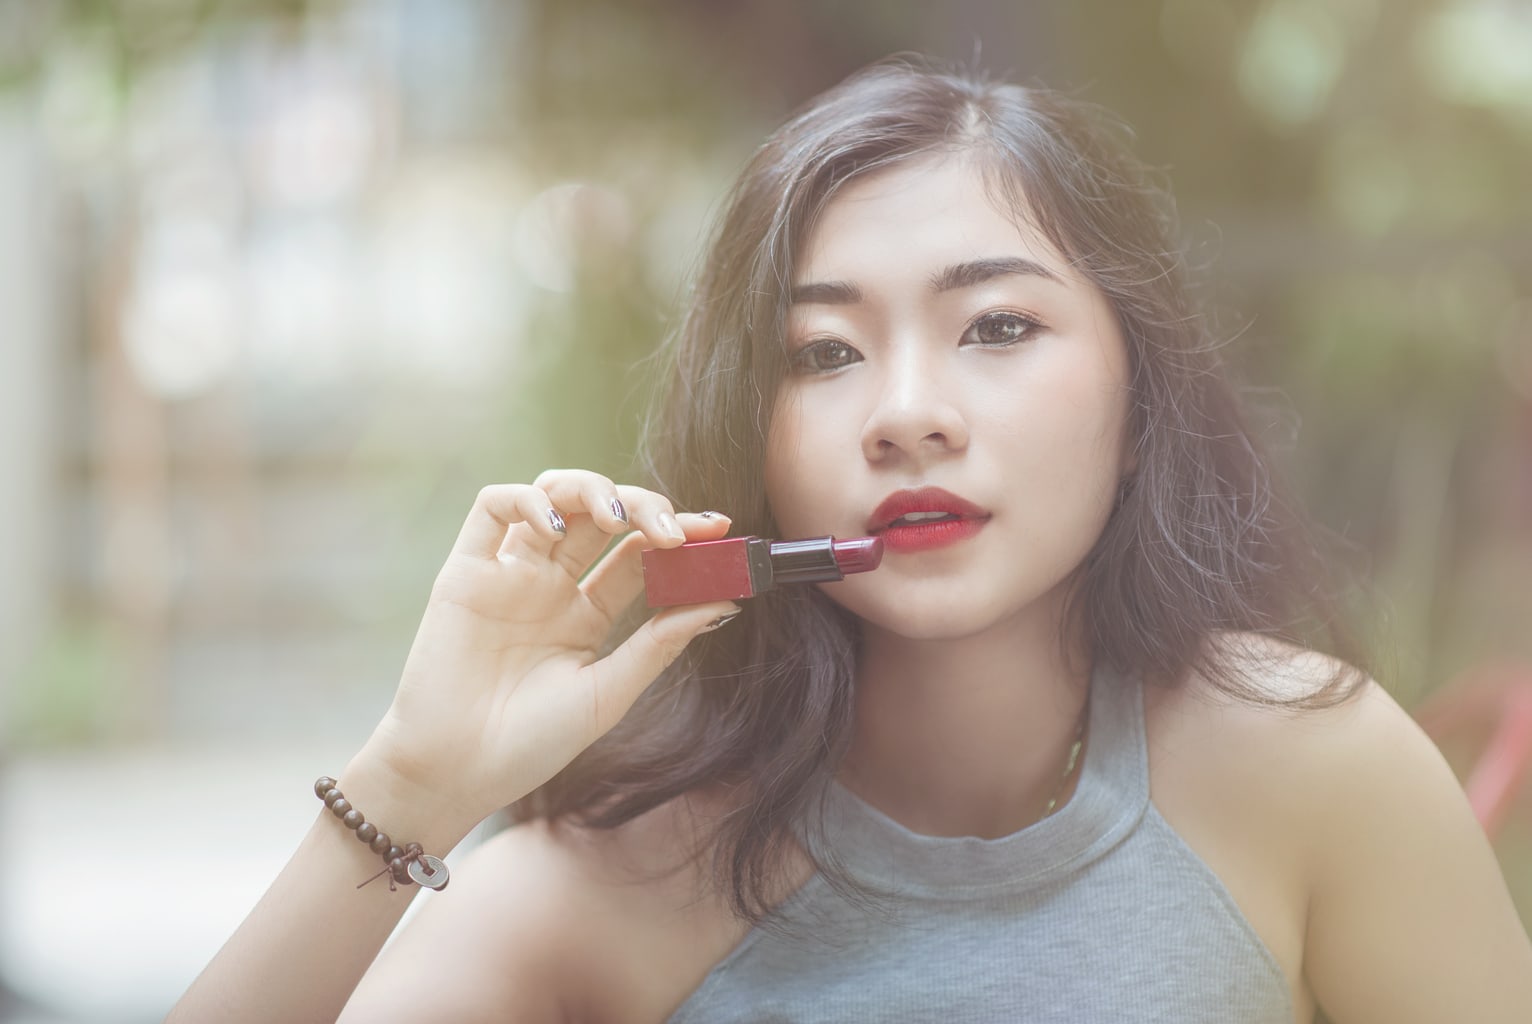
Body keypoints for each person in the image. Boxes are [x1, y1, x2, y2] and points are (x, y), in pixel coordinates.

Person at [168, 57, 1532, 1023]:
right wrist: (410, 785)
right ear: (748, 442)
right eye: (821, 352)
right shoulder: (611, 882)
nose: (907, 415)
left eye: (998, 327)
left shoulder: (1313, 764)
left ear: (1136, 406)